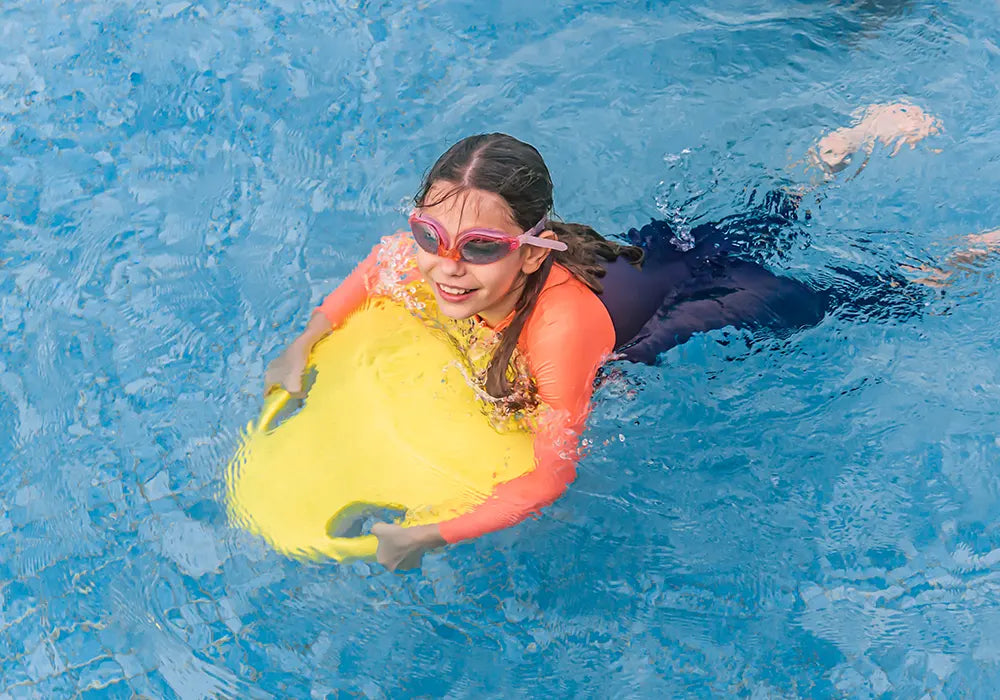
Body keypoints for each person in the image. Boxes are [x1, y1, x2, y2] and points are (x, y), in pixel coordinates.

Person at [265, 105, 994, 571]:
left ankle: (962, 257)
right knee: (749, 223)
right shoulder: (422, 255)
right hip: (642, 258)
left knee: (846, 298)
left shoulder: (559, 331)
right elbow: (368, 276)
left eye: (480, 247)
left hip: (674, 313)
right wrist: (304, 344)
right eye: (429, 234)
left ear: (531, 249)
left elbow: (553, 474)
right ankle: (835, 153)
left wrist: (430, 535)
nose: (445, 267)